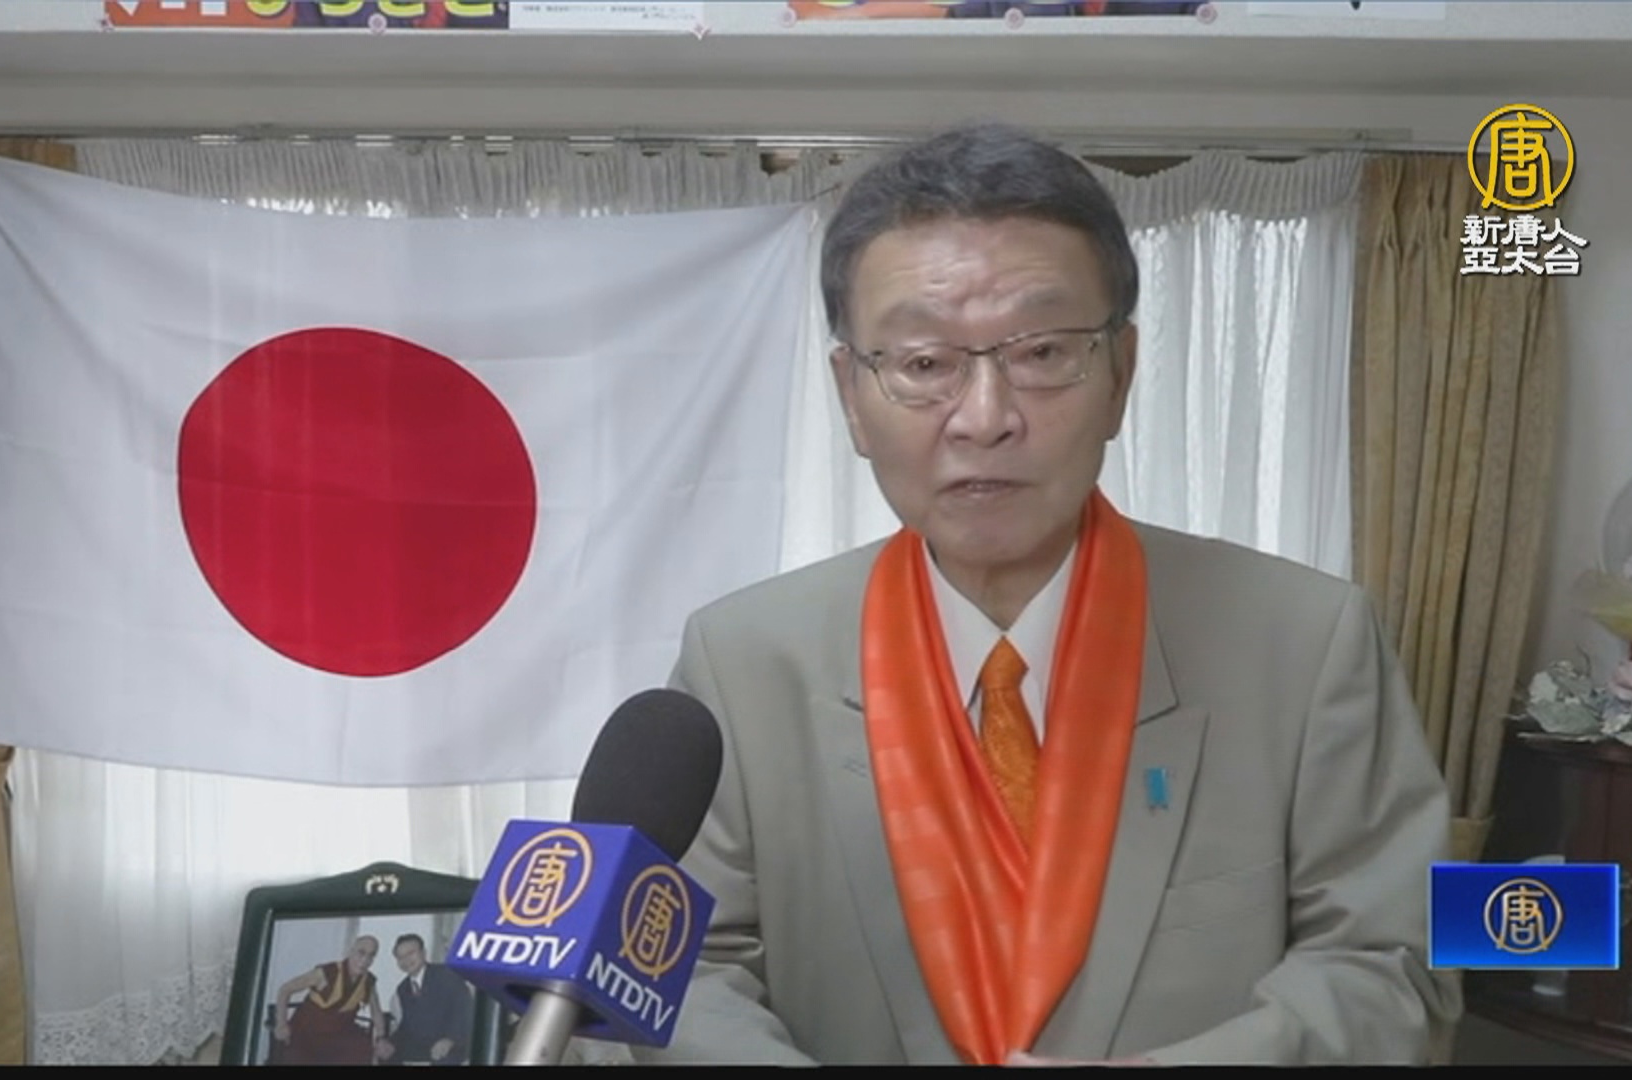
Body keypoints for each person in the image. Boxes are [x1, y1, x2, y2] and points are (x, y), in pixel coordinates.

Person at [625, 124, 1460, 1065]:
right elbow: (677, 966)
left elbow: (1396, 964)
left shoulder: (1305, 646)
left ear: (1120, 375)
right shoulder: (742, 664)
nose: (985, 419)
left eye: (1043, 352)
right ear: (853, 397)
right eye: (924, 363)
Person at [269, 935, 386, 1065]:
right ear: (351, 951)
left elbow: (376, 1012)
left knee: (363, 1049)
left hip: (337, 1036)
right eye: (361, 952)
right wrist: (281, 1023)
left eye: (371, 955)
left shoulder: (368, 981)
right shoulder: (326, 973)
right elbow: (285, 989)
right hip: (307, 1035)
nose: (365, 960)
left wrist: (381, 1037)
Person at [375, 933, 475, 1066]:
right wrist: (390, 1043)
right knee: (386, 1057)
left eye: (411, 953)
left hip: (454, 1043)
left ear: (424, 953)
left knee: (443, 1059)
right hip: (422, 1045)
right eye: (400, 957)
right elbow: (406, 1026)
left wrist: (450, 1039)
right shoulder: (403, 988)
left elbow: (464, 1010)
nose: (406, 960)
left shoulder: (446, 974)